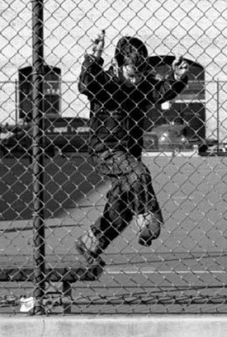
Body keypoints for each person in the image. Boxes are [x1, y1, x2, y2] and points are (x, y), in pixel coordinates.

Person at [75, 31, 189, 264]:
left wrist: (177, 78)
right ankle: (148, 218)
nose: (135, 78)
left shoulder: (142, 85)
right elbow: (85, 83)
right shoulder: (104, 82)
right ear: (118, 63)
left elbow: (161, 91)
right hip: (106, 149)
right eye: (130, 71)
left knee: (122, 208)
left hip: (129, 152)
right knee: (139, 174)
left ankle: (89, 243)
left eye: (139, 72)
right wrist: (94, 56)